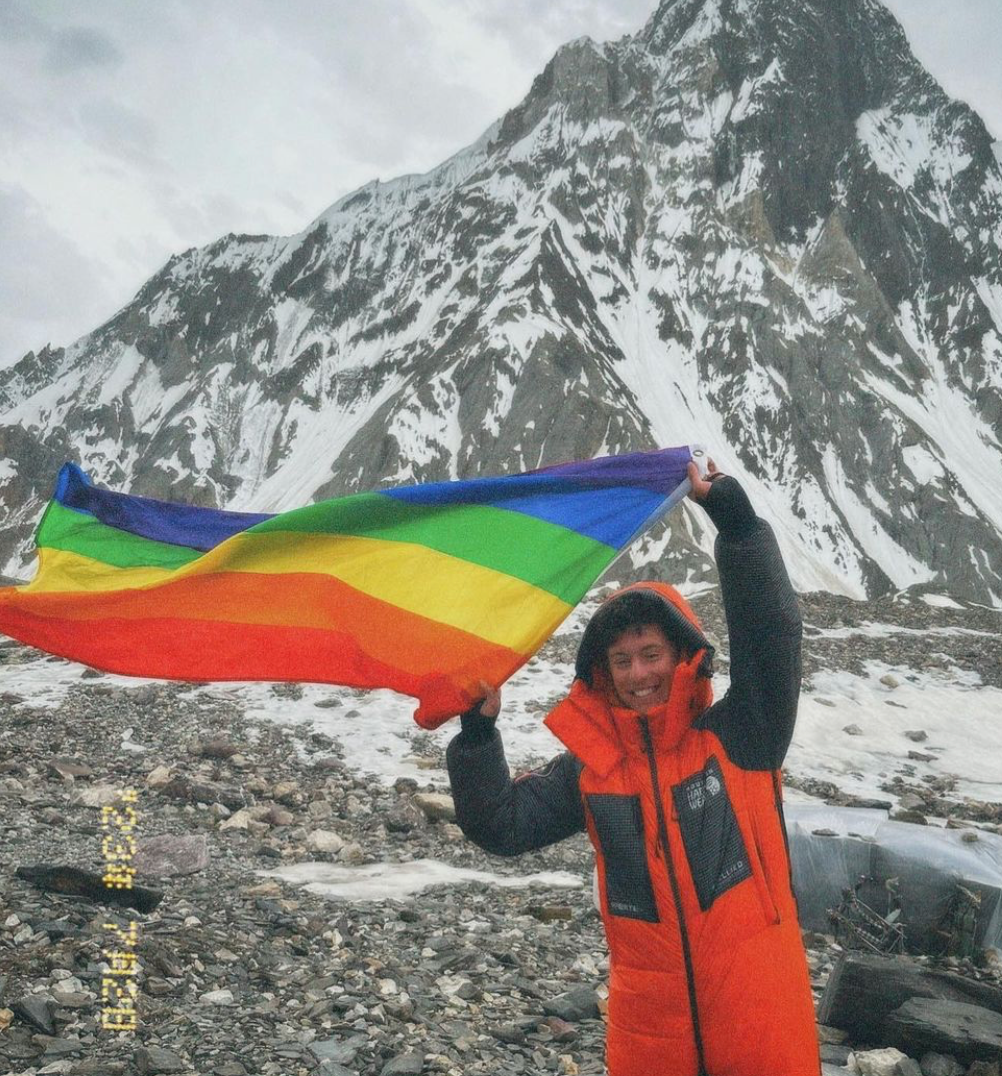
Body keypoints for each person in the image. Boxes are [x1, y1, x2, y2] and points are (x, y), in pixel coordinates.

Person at [446, 459, 821, 1076]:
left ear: (681, 656)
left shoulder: (741, 734)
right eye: (621, 661)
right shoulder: (594, 770)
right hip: (650, 1033)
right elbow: (502, 826)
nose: (639, 673)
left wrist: (735, 522)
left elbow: (771, 633)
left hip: (761, 1019)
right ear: (604, 675)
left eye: (651, 654)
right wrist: (479, 733)